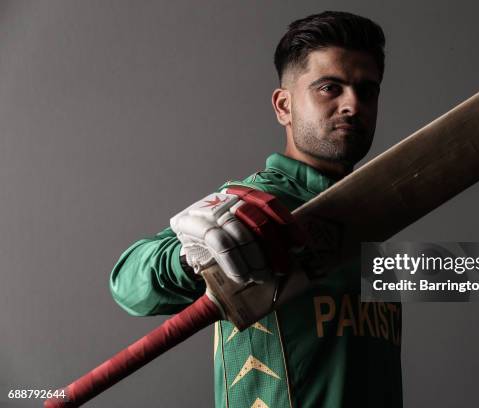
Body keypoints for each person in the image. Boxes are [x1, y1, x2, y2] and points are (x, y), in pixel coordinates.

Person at [110, 11, 402, 408]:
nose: (352, 104)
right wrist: (189, 255)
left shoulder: (377, 214)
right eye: (330, 88)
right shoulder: (249, 203)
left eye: (367, 92)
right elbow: (128, 283)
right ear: (284, 106)